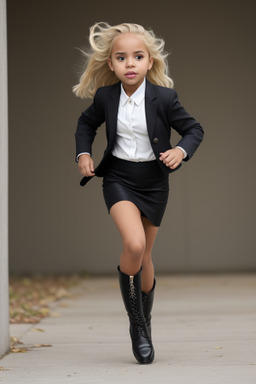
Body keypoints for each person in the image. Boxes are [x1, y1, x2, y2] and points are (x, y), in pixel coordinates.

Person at [73, 22, 204, 364]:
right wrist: (83, 153)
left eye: (137, 56)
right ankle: (138, 326)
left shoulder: (164, 97)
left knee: (145, 257)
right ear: (111, 65)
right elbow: (86, 124)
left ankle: (144, 322)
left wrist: (181, 151)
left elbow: (193, 129)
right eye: (121, 57)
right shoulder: (105, 97)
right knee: (133, 245)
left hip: (154, 182)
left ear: (149, 62)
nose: (129, 63)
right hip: (118, 177)